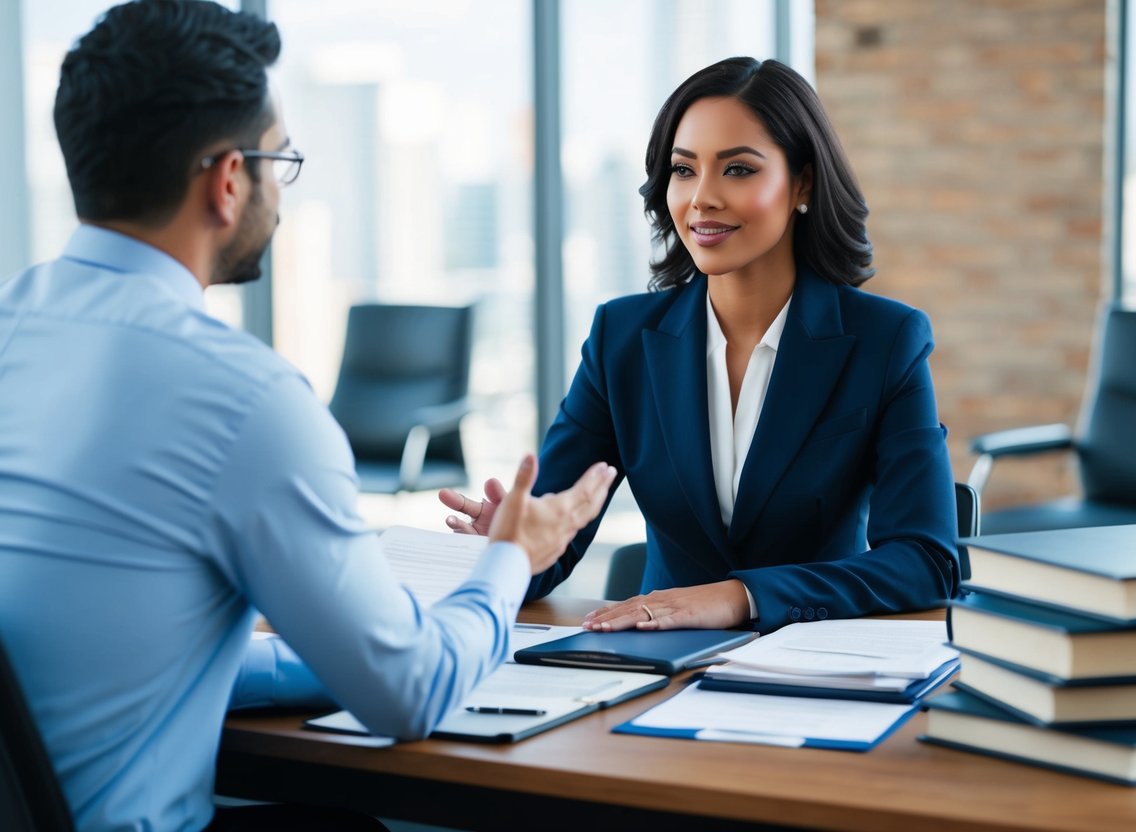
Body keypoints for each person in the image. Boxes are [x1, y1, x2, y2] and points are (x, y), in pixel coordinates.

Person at [0, 2, 615, 831]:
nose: (278, 193)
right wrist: (511, 559)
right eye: (277, 159)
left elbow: (75, 651)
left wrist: (321, 653)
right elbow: (411, 694)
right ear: (226, 181)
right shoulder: (241, 397)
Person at [442, 56, 960, 635]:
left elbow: (927, 561)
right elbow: (551, 547)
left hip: (814, 672)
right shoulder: (623, 339)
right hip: (652, 669)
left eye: (738, 170)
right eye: (684, 171)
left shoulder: (885, 341)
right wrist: (513, 545)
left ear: (803, 185)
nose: (701, 199)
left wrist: (743, 597)